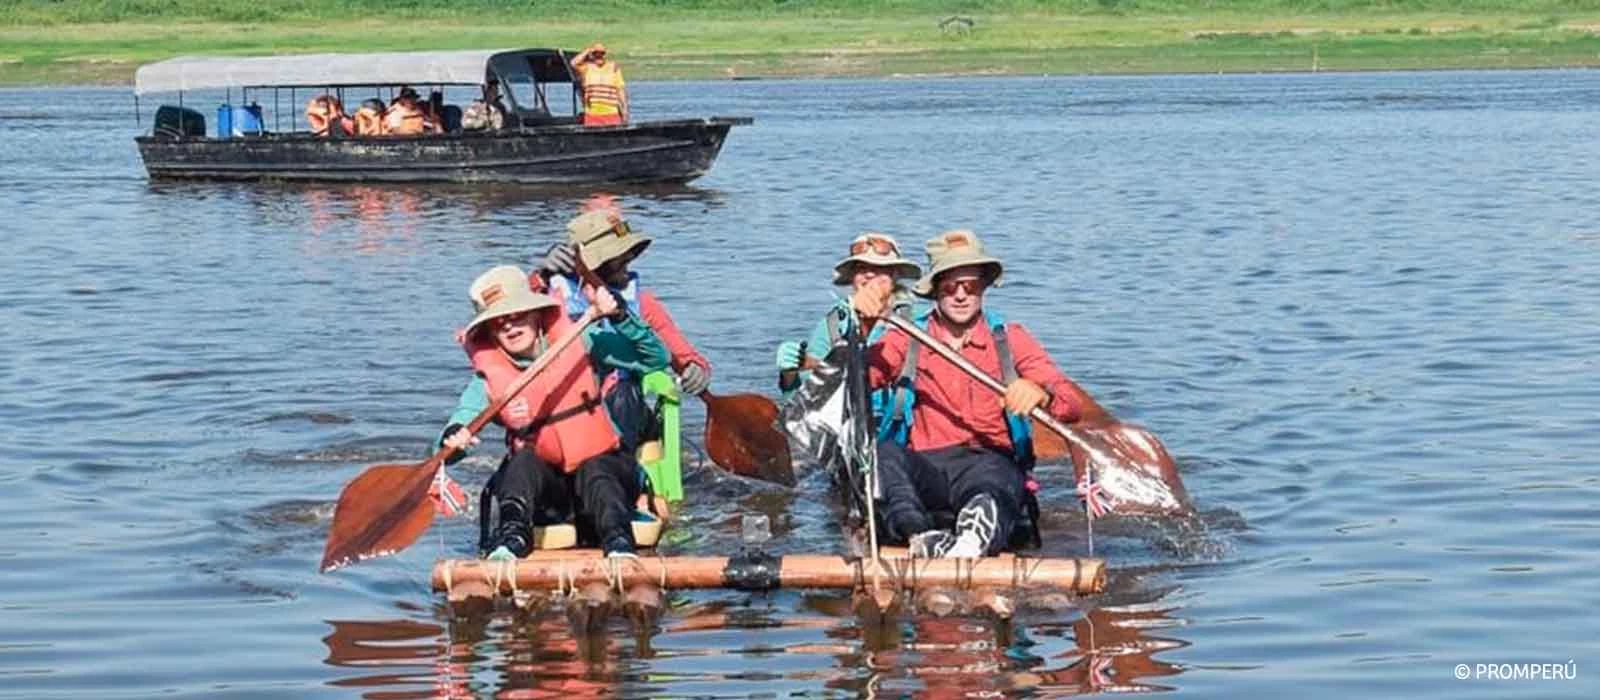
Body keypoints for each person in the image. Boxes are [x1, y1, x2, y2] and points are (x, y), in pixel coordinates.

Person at [851, 229, 1102, 558]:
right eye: (950, 286)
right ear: (935, 289)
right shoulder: (905, 336)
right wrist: (859, 325)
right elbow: (852, 387)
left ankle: (974, 536)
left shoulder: (1010, 338)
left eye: (969, 286)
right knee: (884, 454)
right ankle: (918, 535)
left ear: (983, 286)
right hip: (929, 466)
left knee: (995, 479)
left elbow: (1069, 401)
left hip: (988, 462)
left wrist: (1041, 394)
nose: (960, 296)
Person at [438, 265, 670, 560]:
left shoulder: (582, 340)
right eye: (499, 323)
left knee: (596, 467)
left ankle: (618, 542)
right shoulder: (486, 381)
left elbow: (655, 358)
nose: (509, 326)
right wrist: (452, 440)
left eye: (517, 315)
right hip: (550, 496)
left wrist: (621, 317)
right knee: (521, 462)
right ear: (490, 333)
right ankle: (511, 540)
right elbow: (457, 427)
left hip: (605, 478)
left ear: (536, 315)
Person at [533, 211, 711, 450]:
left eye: (627, 254)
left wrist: (695, 370)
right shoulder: (548, 295)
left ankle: (621, 467)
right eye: (618, 257)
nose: (627, 260)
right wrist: (540, 276)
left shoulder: (642, 301)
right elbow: (506, 328)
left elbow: (681, 354)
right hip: (563, 405)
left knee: (621, 394)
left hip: (623, 406)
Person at [773, 232, 922, 430]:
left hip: (903, 432)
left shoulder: (918, 320)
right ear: (852, 277)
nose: (870, 275)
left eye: (879, 269)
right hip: (846, 430)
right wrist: (789, 375)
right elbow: (804, 402)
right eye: (862, 269)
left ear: (894, 275)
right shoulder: (833, 325)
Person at [569, 43, 628, 126]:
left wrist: (625, 110)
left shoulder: (613, 67)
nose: (599, 56)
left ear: (605, 55)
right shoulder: (587, 68)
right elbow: (573, 63)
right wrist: (588, 50)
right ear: (592, 55)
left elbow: (620, 89)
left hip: (611, 113)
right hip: (592, 114)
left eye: (601, 53)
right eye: (596, 54)